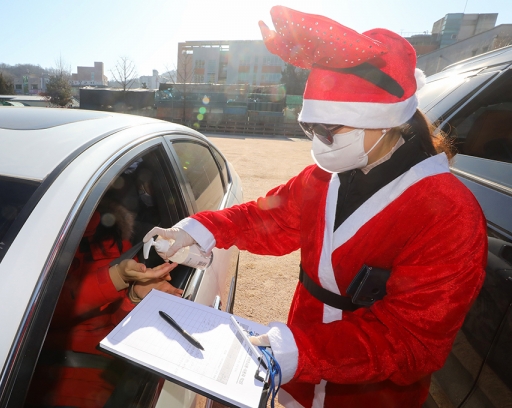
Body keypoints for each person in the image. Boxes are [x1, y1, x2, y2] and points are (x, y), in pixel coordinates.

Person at [143, 6, 487, 408]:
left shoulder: (449, 214)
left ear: (385, 120)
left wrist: (300, 352)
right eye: (311, 129)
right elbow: (264, 218)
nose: (320, 142)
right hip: (300, 372)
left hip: (370, 395)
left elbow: (412, 341)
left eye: (330, 129)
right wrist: (198, 230)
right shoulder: (322, 178)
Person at [25, 198, 181, 408]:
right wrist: (116, 278)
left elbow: (115, 326)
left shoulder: (121, 250)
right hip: (27, 371)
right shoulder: (27, 249)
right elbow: (37, 312)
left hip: (97, 372)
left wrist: (134, 297)